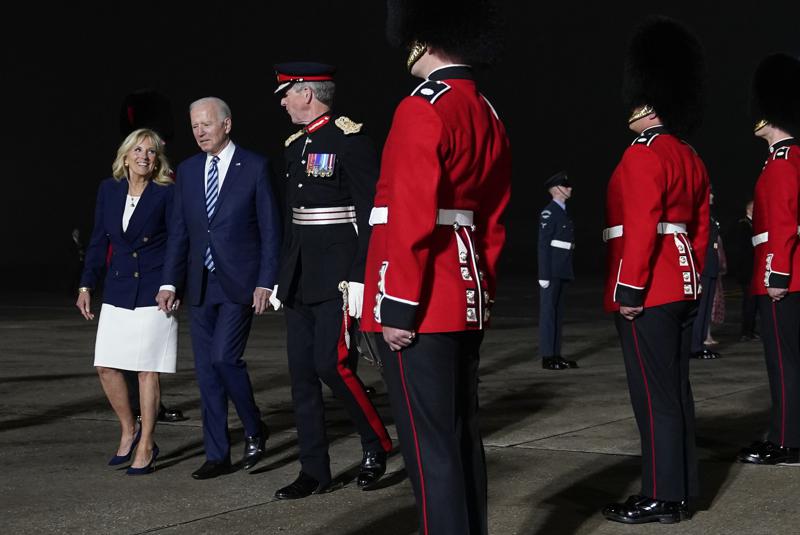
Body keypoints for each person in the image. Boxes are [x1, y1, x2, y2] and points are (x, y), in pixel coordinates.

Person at [361, 1, 512, 533]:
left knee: (430, 451)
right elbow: (493, 220)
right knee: (461, 436)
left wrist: (398, 306)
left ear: (425, 40)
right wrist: (481, 293)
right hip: (463, 294)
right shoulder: (487, 111)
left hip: (420, 302)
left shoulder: (421, 106)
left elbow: (410, 216)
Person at [601, 17, 709, 524]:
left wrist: (630, 289)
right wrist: (694, 279)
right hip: (682, 283)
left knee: (653, 397)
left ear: (647, 104)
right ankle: (683, 491)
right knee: (677, 393)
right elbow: (700, 231)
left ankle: (661, 497)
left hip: (650, 288)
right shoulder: (690, 156)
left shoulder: (642, 154)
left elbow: (642, 228)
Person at [268, 62, 392, 499]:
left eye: (286, 93)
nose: (282, 102)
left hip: (337, 276)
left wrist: (360, 277)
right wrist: (282, 277)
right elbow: (291, 218)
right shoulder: (294, 146)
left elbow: (373, 215)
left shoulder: (350, 141)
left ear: (307, 93)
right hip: (300, 275)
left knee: (332, 365)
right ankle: (314, 470)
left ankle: (376, 443)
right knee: (302, 376)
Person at [156, 97, 281, 479]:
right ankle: (217, 454)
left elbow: (271, 230)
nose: (199, 132)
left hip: (239, 282)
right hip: (200, 284)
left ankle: (254, 426)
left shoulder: (255, 167)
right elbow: (179, 231)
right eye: (194, 126)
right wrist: (169, 282)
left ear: (227, 124)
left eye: (206, 124)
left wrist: (266, 281)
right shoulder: (188, 171)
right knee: (207, 372)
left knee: (225, 358)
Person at [76, 128, 177, 475]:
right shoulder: (109, 189)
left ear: (157, 159)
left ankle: (146, 443)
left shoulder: (166, 193)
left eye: (151, 151)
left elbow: (177, 242)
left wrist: (172, 285)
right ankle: (129, 429)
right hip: (118, 288)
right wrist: (86, 285)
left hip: (154, 291)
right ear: (125, 155)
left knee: (147, 370)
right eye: (138, 150)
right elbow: (97, 241)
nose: (144, 157)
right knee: (106, 366)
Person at [737, 53, 800, 466]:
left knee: (783, 362)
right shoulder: (792, 158)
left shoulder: (781, 162)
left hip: (783, 277)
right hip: (793, 274)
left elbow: (782, 224)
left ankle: (787, 441)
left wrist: (776, 275)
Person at [119, 89, 187, 423]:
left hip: (155, 269)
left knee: (146, 350)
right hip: (132, 268)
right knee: (129, 350)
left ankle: (147, 407)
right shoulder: (127, 179)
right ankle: (138, 409)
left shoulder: (164, 178)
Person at [538, 170, 578, 370]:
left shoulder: (562, 212)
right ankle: (547, 356)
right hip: (552, 270)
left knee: (558, 313)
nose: (570, 188)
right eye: (566, 185)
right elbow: (543, 245)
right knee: (548, 313)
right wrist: (543, 274)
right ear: (556, 190)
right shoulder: (549, 212)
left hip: (562, 267)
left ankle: (556, 354)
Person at [690, 190, 722, 359]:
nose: (712, 196)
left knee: (707, 307)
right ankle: (695, 346)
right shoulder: (698, 214)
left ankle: (700, 343)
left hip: (711, 266)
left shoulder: (710, 216)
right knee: (701, 308)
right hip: (703, 266)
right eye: (709, 193)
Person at [726, 200, 759, 341]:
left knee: (753, 303)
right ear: (750, 209)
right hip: (747, 271)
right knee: (749, 303)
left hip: (753, 270)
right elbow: (743, 250)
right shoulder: (744, 225)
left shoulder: (752, 224)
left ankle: (750, 330)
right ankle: (746, 332)